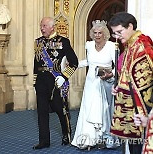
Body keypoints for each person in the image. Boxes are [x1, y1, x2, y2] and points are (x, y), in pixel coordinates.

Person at [109, 12, 153, 154]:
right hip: (129, 108)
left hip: (141, 109)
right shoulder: (130, 45)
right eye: (114, 33)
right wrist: (118, 87)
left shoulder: (143, 46)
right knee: (133, 145)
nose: (117, 37)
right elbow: (127, 75)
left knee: (140, 147)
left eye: (119, 32)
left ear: (130, 26)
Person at [33, 17, 78, 149]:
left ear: (52, 27)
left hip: (56, 80)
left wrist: (64, 76)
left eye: (45, 26)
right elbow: (35, 63)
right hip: (41, 80)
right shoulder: (38, 42)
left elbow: (74, 62)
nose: (42, 28)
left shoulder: (63, 41)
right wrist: (35, 81)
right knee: (41, 111)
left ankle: (66, 134)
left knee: (60, 109)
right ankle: (44, 141)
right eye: (41, 26)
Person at [71, 20, 117, 150]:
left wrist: (111, 74)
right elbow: (89, 62)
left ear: (105, 34)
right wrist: (75, 64)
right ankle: (87, 139)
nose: (97, 35)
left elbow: (117, 66)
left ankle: (104, 139)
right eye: (95, 33)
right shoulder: (89, 45)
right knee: (88, 108)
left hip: (104, 83)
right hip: (91, 82)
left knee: (103, 110)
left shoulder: (111, 46)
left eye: (100, 33)